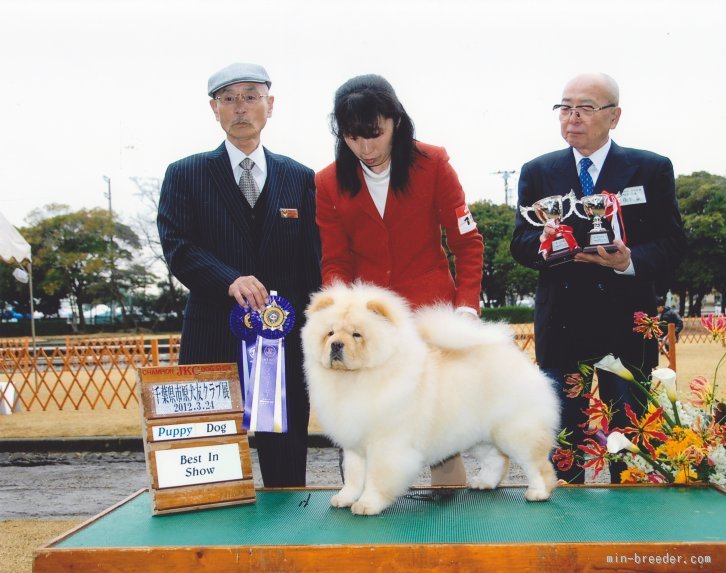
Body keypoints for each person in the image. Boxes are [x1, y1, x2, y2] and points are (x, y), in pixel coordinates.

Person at [510, 73, 686, 484]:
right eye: (565, 107)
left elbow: (674, 242)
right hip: (562, 326)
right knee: (562, 447)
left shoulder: (651, 168)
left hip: (627, 326)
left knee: (630, 444)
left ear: (614, 116)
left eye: (585, 108)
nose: (572, 118)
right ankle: (564, 537)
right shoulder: (538, 172)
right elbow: (519, 240)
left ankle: (632, 538)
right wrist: (545, 243)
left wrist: (627, 261)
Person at [315, 74, 484, 486]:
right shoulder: (327, 181)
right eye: (354, 138)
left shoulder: (433, 162)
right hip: (366, 331)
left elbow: (467, 243)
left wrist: (465, 307)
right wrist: (342, 313)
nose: (366, 148)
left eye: (375, 134)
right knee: (363, 439)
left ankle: (452, 527)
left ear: (396, 121)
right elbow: (335, 260)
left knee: (440, 444)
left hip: (430, 318)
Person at [157, 62, 321, 487]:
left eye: (251, 96)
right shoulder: (185, 174)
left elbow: (313, 263)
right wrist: (229, 278)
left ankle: (288, 541)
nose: (240, 107)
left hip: (281, 344)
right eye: (228, 98)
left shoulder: (302, 178)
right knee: (208, 472)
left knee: (286, 471)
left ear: (271, 104)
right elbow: (178, 247)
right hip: (211, 336)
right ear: (214, 109)